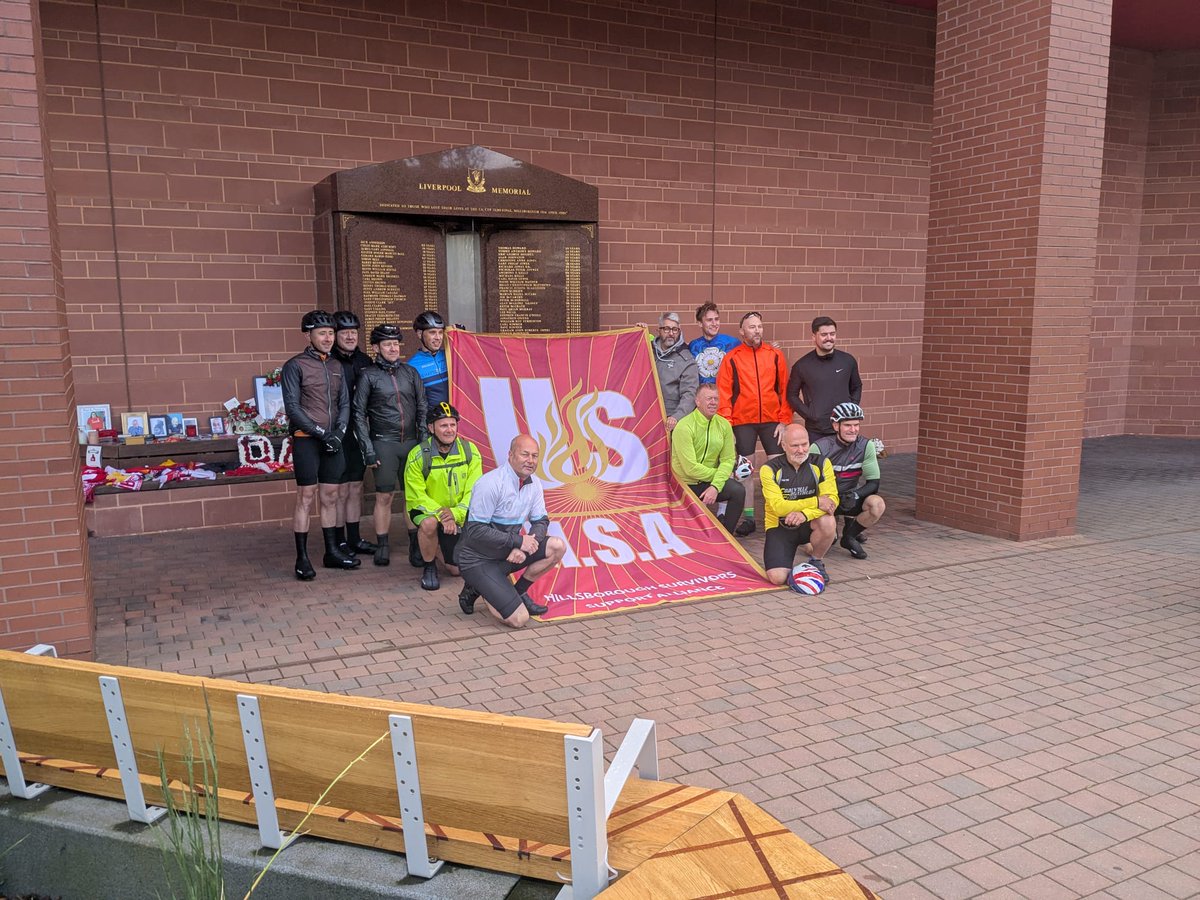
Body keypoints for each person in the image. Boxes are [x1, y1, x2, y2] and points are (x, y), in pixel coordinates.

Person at [456, 434, 566, 628]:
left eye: (535, 456)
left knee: (557, 546)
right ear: (510, 455)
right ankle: (478, 586)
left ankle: (518, 592)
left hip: (508, 553)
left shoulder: (535, 483)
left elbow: (541, 521)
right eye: (525, 454)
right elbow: (475, 531)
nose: (530, 461)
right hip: (478, 559)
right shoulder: (490, 483)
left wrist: (523, 546)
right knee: (519, 620)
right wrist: (517, 542)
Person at [282, 309, 359, 579]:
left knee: (331, 496)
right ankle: (302, 558)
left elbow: (345, 404)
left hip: (332, 439)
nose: (328, 338)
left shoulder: (336, 365)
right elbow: (292, 407)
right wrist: (319, 432)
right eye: (322, 333)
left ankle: (331, 552)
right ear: (308, 335)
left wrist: (338, 432)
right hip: (307, 440)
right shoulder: (295, 366)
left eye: (330, 333)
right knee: (306, 497)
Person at [353, 323, 427, 567]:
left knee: (412, 497)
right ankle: (382, 544)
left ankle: (415, 544)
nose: (393, 348)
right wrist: (367, 448)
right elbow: (358, 413)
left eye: (396, 343)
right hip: (384, 442)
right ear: (376, 347)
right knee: (384, 496)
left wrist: (425, 442)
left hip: (412, 443)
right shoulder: (368, 375)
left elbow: (422, 407)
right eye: (387, 344)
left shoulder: (410, 373)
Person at [716, 311, 791, 534]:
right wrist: (727, 425)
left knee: (778, 469)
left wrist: (784, 420)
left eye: (759, 326)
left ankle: (780, 513)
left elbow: (785, 390)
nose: (756, 330)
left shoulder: (775, 355)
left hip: (771, 421)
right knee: (745, 470)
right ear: (742, 331)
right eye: (751, 327)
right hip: (743, 421)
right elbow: (724, 392)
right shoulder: (732, 357)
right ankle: (749, 518)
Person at [404, 402, 483, 591]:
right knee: (429, 524)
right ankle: (429, 566)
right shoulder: (417, 456)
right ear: (431, 428)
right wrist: (442, 514)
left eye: (453, 425)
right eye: (443, 425)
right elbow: (416, 496)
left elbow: (475, 490)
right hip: (429, 512)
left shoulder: (470, 452)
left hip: (457, 514)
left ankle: (433, 544)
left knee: (456, 570)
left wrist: (455, 514)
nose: (449, 430)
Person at [761, 424, 839, 587]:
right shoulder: (769, 469)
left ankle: (816, 560)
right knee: (777, 578)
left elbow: (831, 501)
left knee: (828, 521)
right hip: (780, 526)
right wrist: (816, 501)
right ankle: (805, 548)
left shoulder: (822, 463)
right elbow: (779, 507)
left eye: (804, 444)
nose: (801, 450)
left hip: (808, 523)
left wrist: (804, 515)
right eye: (795, 446)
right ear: (784, 446)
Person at [809, 402, 886, 560]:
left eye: (856, 425)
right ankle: (830, 532)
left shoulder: (866, 446)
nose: (853, 430)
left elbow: (874, 483)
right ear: (836, 425)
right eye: (848, 425)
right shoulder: (819, 448)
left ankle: (849, 536)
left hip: (850, 497)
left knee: (877, 504)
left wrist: (856, 495)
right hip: (826, 500)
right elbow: (807, 483)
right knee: (814, 548)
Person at [331, 310, 375, 558]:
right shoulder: (329, 361)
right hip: (336, 431)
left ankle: (355, 538)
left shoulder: (365, 362)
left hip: (358, 432)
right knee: (338, 490)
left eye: (353, 332)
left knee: (355, 487)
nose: (349, 336)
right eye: (344, 332)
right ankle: (338, 541)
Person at [670, 383, 744, 533]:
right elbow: (690, 468)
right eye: (709, 398)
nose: (713, 402)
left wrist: (715, 486)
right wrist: (720, 477)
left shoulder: (724, 425)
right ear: (697, 401)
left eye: (716, 399)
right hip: (684, 484)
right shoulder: (684, 426)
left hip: (710, 481)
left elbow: (728, 459)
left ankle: (727, 537)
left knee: (738, 491)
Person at [787, 316, 863, 442]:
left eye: (832, 334)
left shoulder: (848, 361)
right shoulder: (802, 366)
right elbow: (791, 395)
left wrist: (851, 408)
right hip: (817, 431)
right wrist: (810, 415)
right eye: (824, 334)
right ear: (814, 337)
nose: (829, 338)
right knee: (818, 462)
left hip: (844, 428)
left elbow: (857, 386)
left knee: (844, 462)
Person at [652, 312, 698, 432]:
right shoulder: (647, 350)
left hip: (671, 419)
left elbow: (690, 394)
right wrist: (637, 332)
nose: (671, 333)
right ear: (658, 330)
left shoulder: (686, 360)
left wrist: (676, 417)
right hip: (646, 415)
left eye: (675, 330)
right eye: (666, 329)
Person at [688, 302, 741, 385]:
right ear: (700, 323)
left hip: (725, 395)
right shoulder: (693, 346)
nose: (714, 323)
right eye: (709, 320)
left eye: (716, 319)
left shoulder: (733, 343)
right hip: (702, 395)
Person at [408, 311, 449, 407]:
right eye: (432, 333)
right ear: (419, 334)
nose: (438, 337)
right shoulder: (411, 367)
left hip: (457, 418)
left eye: (440, 332)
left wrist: (461, 337)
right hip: (432, 420)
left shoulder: (451, 356)